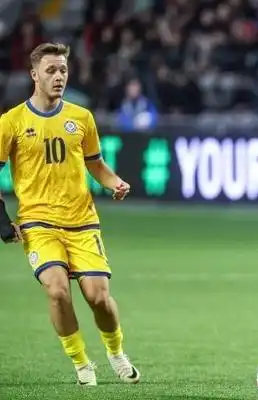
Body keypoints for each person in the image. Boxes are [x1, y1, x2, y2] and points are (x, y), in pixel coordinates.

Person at [0, 43, 140, 386]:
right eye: (51, 70)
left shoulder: (81, 118)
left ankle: (116, 352)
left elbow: (96, 164)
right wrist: (2, 220)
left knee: (99, 298)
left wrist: (115, 182)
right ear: (34, 75)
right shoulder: (11, 122)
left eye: (63, 69)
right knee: (57, 291)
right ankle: (81, 362)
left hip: (82, 222)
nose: (59, 76)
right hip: (38, 222)